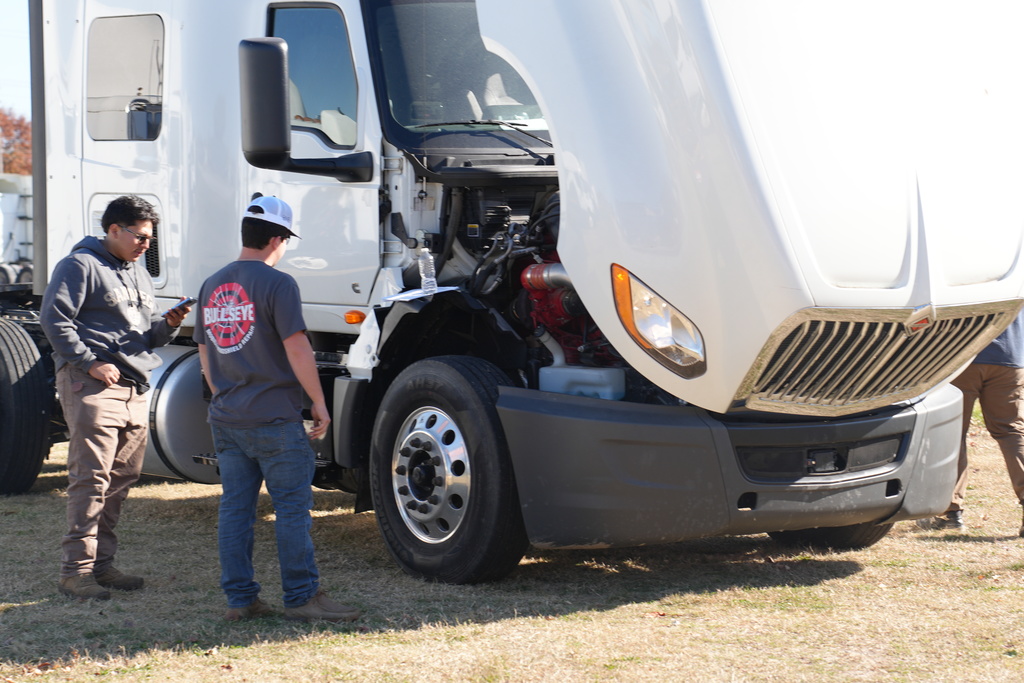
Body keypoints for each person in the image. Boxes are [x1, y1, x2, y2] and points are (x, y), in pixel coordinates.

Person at [193, 194, 360, 623]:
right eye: (286, 240)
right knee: (290, 510)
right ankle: (302, 597)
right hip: (273, 418)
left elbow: (204, 350)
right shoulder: (279, 283)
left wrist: (223, 393)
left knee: (235, 510)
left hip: (227, 418)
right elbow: (297, 346)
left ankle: (240, 600)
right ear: (276, 238)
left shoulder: (212, 284)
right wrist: (319, 403)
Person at [41, 195, 190, 600]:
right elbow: (53, 319)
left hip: (133, 387)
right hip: (93, 385)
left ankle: (102, 566)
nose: (145, 245)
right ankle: (76, 572)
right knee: (90, 479)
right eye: (140, 237)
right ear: (113, 230)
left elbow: (142, 338)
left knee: (121, 480)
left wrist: (169, 326)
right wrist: (89, 363)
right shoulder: (79, 265)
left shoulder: (139, 275)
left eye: (150, 239)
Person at [918, 310, 1024, 534]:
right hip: (1010, 356)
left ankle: (952, 511)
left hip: (964, 357)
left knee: (954, 433)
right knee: (1011, 431)